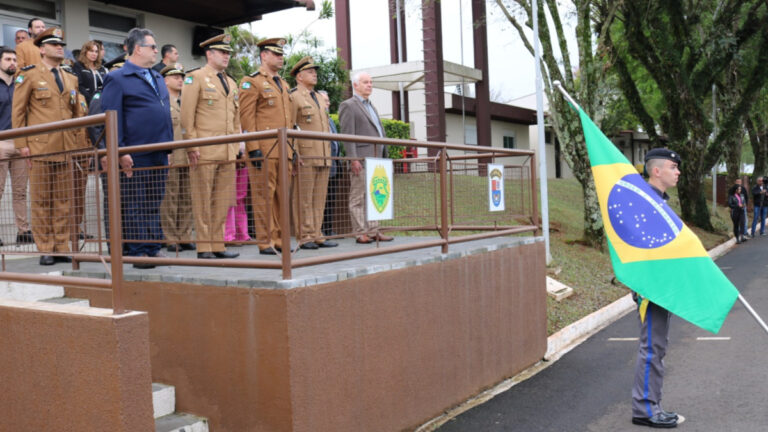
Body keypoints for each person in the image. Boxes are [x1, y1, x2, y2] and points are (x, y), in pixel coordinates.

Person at [11, 28, 85, 265]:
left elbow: (77, 114)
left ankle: (61, 246)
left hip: (66, 147)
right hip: (40, 148)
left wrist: (77, 141)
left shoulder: (70, 77)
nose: (59, 47)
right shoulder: (28, 75)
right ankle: (45, 248)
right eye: (54, 45)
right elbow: (18, 112)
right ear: (42, 49)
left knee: (64, 201)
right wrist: (22, 145)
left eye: (61, 44)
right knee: (42, 201)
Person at [101, 27, 172, 269]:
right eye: (152, 47)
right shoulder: (118, 77)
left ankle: (153, 247)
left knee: (154, 200)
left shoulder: (159, 76)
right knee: (136, 202)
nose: (156, 51)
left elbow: (164, 113)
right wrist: (120, 150)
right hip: (135, 151)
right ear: (138, 48)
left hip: (159, 150)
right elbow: (112, 116)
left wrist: (169, 150)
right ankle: (138, 250)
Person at [631, 148, 681, 428]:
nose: (678, 172)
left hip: (663, 284)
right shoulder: (645, 202)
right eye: (673, 167)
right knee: (652, 348)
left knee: (657, 347)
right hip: (652, 287)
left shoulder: (658, 201)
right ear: (656, 170)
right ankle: (646, 409)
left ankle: (653, 405)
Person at [180, 34, 240, 260]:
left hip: (227, 151)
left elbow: (235, 118)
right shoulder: (195, 78)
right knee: (203, 199)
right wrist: (191, 145)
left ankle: (218, 244)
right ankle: (205, 246)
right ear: (209, 54)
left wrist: (235, 146)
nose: (226, 56)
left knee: (222, 200)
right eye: (222, 52)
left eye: (228, 53)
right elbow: (187, 116)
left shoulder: (231, 82)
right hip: (203, 149)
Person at [238, 37, 294, 255]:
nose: (280, 58)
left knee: (282, 195)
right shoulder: (251, 82)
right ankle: (266, 239)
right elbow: (247, 118)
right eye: (276, 54)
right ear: (263, 55)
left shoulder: (283, 83)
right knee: (264, 196)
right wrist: (253, 147)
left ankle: (280, 237)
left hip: (284, 149)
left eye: (281, 54)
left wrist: (292, 147)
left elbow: (288, 120)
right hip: (265, 149)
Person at [338, 71, 394, 244]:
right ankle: (360, 232)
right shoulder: (349, 105)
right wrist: (353, 159)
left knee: (375, 196)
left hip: (377, 160)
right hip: (361, 160)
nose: (370, 85)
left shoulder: (371, 105)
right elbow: (348, 134)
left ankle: (374, 230)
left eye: (371, 82)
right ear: (355, 85)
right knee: (358, 197)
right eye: (365, 82)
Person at [289, 57, 337, 250]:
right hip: (305, 155)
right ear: (299, 76)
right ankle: (305, 235)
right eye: (310, 72)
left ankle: (317, 233)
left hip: (323, 154)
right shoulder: (293, 96)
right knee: (303, 198)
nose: (314, 74)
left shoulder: (318, 97)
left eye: (315, 71)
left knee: (319, 197)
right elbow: (290, 126)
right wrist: (293, 154)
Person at [159, 63, 195, 253]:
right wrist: (166, 152)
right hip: (171, 155)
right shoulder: (162, 102)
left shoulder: (186, 101)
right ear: (165, 80)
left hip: (188, 155)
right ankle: (170, 237)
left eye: (181, 76)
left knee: (187, 197)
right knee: (170, 199)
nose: (180, 80)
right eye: (175, 77)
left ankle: (185, 235)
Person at [0, 48, 32, 246]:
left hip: (20, 142)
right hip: (1, 142)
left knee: (20, 192)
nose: (12, 62)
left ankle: (24, 231)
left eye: (14, 59)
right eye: (8, 59)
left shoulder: (21, 85)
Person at [318, 90, 340, 237]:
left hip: (334, 165)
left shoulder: (330, 119)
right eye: (325, 101)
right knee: (321, 199)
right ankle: (320, 230)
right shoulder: (318, 119)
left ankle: (328, 229)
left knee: (330, 199)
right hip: (322, 164)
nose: (328, 103)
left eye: (328, 100)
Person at [72, 40, 108, 104]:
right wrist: (91, 101)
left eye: (96, 52)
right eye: (91, 51)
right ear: (85, 52)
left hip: (102, 102)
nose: (94, 54)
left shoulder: (101, 68)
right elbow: (79, 86)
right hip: (86, 103)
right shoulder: (78, 66)